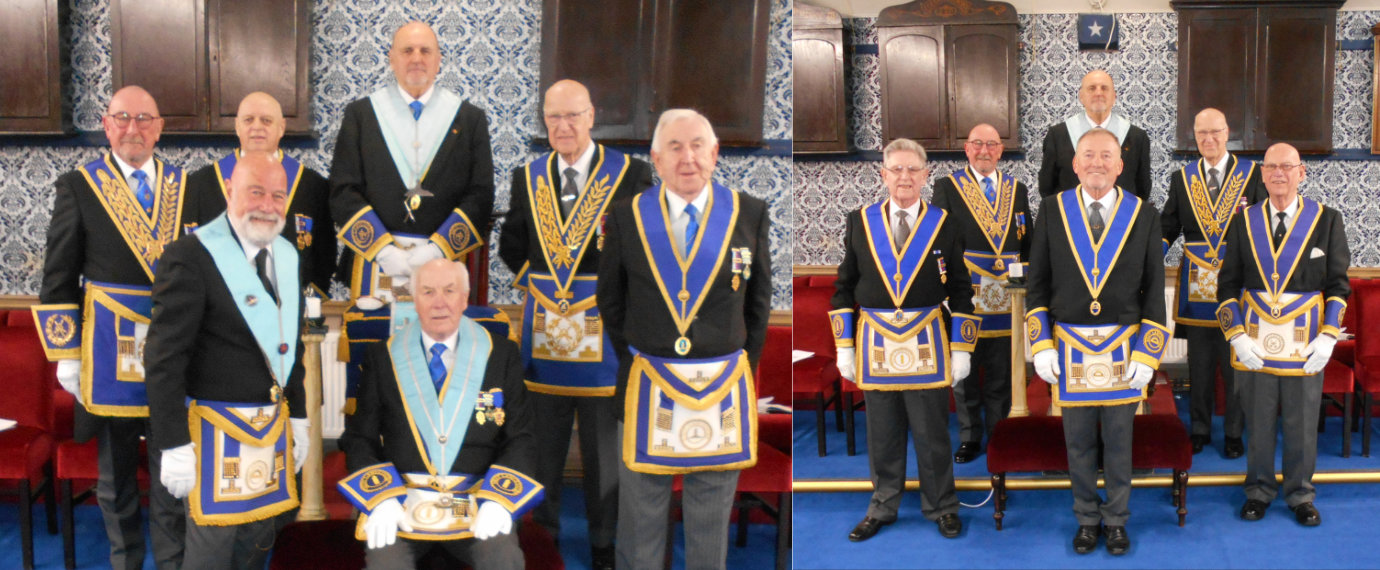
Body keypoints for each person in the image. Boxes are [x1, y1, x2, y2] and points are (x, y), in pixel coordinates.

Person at [596, 109, 772, 570]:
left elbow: (757, 305)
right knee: (640, 523)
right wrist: (641, 359)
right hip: (646, 388)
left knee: (711, 523)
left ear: (715, 154)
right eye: (674, 147)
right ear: (655, 158)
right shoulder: (625, 217)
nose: (687, 157)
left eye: (697, 145)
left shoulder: (749, 213)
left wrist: (742, 373)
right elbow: (610, 303)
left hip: (721, 389)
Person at [497, 78, 653, 570]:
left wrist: (604, 296)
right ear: (544, 122)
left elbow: (642, 250)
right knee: (540, 449)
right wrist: (546, 288)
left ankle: (603, 548)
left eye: (572, 116)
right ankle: (541, 542)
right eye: (553, 118)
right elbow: (511, 245)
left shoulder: (630, 174)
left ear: (592, 116)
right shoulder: (528, 176)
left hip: (605, 334)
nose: (563, 127)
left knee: (605, 454)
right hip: (544, 332)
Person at [32, 85, 189, 569]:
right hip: (106, 355)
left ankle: (171, 563)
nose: (133, 128)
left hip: (171, 354)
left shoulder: (186, 187)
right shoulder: (79, 185)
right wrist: (65, 356)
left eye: (144, 118)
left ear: (159, 128)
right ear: (106, 125)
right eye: (122, 117)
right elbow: (58, 277)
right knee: (115, 478)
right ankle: (125, 562)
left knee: (171, 474)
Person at [143, 153, 310, 569]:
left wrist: (301, 417)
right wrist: (173, 443)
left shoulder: (287, 255)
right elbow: (163, 360)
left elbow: (292, 344)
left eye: (278, 195)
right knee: (209, 558)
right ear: (230, 191)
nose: (267, 205)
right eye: (256, 192)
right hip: (210, 442)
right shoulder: (190, 256)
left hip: (268, 435)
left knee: (255, 547)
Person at [330, 20, 495, 411]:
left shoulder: (469, 118)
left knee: (437, 374)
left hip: (442, 267)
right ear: (391, 59)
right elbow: (343, 190)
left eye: (425, 51)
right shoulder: (361, 114)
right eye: (407, 51)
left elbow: (480, 195)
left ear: (439, 61)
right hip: (375, 265)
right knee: (372, 373)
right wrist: (385, 251)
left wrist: (435, 249)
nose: (416, 59)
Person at [338, 259, 540, 569]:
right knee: (385, 564)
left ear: (465, 297)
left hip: (473, 502)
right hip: (403, 501)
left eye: (450, 291)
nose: (440, 302)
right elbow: (360, 438)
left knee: (504, 558)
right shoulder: (384, 356)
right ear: (414, 299)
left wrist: (498, 500)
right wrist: (380, 499)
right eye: (428, 292)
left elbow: (522, 437)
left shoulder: (500, 354)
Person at [1026, 128, 1169, 556]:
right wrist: (1041, 344)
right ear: (1074, 163)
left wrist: (1149, 353)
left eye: (1107, 156)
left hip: (1125, 352)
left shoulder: (1144, 214)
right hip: (1069, 350)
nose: (1097, 163)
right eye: (1088, 155)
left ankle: (1117, 519)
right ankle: (1087, 518)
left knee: (1121, 441)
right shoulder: (1051, 211)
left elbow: (1153, 290)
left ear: (1120, 165)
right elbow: (1038, 286)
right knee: (1079, 441)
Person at [831, 138, 977, 541]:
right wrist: (845, 346)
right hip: (875, 343)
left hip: (927, 342)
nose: (904, 177)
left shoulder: (945, 223)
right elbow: (844, 287)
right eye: (896, 169)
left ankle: (942, 506)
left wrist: (961, 348)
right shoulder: (859, 221)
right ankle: (882, 505)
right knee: (883, 434)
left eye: (913, 169)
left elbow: (961, 289)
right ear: (883, 174)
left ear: (926, 174)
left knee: (932, 433)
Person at [1217, 142, 1350, 527]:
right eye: (1271, 166)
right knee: (1257, 421)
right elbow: (1227, 286)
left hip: (1305, 344)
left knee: (1302, 422)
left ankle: (1300, 494)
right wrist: (1236, 335)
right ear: (1261, 174)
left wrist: (1328, 337)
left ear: (1301, 172)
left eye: (1287, 166)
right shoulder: (1243, 221)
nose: (1279, 173)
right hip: (1255, 342)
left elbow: (1338, 287)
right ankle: (1258, 491)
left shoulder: (1327, 220)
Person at [1162, 108, 1266, 458]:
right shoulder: (1182, 178)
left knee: (1234, 363)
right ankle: (1201, 428)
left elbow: (1263, 227)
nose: (1209, 139)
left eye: (1215, 132)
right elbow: (1168, 227)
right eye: (1202, 133)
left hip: (1236, 285)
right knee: (1201, 365)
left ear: (1228, 132)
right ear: (1195, 135)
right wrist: (1146, 260)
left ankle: (1234, 433)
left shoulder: (1252, 174)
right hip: (1195, 286)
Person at [931, 123, 1033, 464]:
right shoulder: (947, 187)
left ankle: (999, 434)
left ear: (1001, 151)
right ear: (967, 148)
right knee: (966, 373)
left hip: (1007, 294)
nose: (984, 150)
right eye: (977, 144)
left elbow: (1026, 239)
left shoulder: (1017, 189)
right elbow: (938, 241)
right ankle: (970, 437)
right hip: (965, 295)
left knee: (1002, 370)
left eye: (992, 144)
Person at [185, 91, 337, 296]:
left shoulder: (313, 186)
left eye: (266, 120)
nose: (257, 127)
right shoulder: (201, 184)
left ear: (281, 127)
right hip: (219, 311)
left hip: (289, 309)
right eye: (248, 120)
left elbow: (324, 258)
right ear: (237, 127)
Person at [1038, 70, 1153, 200]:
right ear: (1081, 96)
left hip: (1122, 218)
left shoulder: (1137, 137)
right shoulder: (1057, 135)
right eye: (1092, 88)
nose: (1098, 93)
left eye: (1104, 88)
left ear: (1114, 96)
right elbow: (1046, 187)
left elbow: (1143, 189)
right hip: (1071, 218)